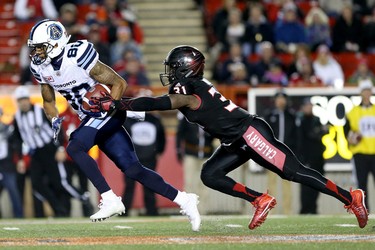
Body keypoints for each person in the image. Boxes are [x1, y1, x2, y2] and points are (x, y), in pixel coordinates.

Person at [91, 45, 369, 229]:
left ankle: (351, 197)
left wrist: (121, 103)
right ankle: (259, 199)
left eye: (174, 67)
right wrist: (123, 107)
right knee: (210, 174)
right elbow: (163, 103)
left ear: (186, 67)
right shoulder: (191, 85)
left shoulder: (189, 89)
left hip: (249, 133)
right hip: (235, 140)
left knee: (294, 173)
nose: (170, 72)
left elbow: (162, 104)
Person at [27, 19, 200, 231]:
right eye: (34, 48)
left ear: (55, 43)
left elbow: (119, 82)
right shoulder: (39, 67)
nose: (37, 52)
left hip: (106, 112)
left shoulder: (77, 55)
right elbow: (48, 100)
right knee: (133, 169)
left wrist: (108, 107)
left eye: (40, 47)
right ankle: (184, 199)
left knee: (75, 146)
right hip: (90, 117)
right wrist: (54, 118)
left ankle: (109, 199)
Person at [12, 86, 88, 217]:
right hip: (35, 152)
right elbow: (17, 139)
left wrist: (59, 148)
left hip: (50, 149)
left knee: (60, 182)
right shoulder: (17, 117)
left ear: (28, 99)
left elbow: (57, 127)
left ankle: (83, 197)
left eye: (24, 99)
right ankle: (58, 208)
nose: (23, 102)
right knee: (36, 184)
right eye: (20, 100)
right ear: (17, 102)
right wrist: (20, 159)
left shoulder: (40, 111)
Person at [122, 90, 166, 216]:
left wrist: (158, 151)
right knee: (129, 186)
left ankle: (152, 211)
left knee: (150, 186)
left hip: (149, 157)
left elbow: (161, 138)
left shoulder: (155, 120)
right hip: (132, 158)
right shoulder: (128, 119)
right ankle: (125, 212)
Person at [263, 89, 296, 215]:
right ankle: (271, 211)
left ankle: (288, 211)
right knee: (271, 183)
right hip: (271, 154)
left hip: (286, 154)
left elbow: (295, 137)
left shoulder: (291, 116)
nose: (281, 101)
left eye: (283, 99)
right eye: (278, 99)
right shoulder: (269, 115)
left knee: (287, 183)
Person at [345, 80, 375, 211]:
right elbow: (347, 132)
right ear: (361, 93)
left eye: (368, 90)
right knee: (362, 185)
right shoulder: (353, 112)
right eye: (365, 91)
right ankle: (364, 211)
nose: (367, 93)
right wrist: (351, 138)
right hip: (360, 153)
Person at [176, 114, 215, 215]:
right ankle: (189, 210)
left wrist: (209, 134)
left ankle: (202, 211)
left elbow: (217, 133)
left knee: (203, 184)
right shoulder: (186, 118)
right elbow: (180, 133)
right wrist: (178, 150)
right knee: (189, 183)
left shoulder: (210, 118)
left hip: (206, 154)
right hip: (191, 153)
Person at [296, 98, 327, 214]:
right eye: (307, 105)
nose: (309, 107)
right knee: (306, 186)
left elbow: (325, 131)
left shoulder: (316, 119)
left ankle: (313, 209)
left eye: (310, 105)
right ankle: (305, 209)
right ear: (303, 108)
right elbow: (309, 135)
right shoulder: (300, 121)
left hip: (318, 158)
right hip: (306, 158)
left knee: (318, 185)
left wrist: (319, 131)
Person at [0, 106, 24, 218]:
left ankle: (19, 216)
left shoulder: (8, 129)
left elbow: (17, 144)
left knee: (13, 191)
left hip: (6, 164)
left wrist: (19, 159)